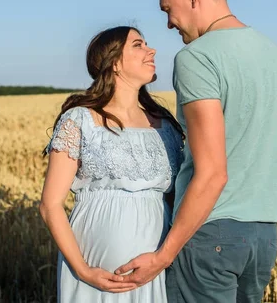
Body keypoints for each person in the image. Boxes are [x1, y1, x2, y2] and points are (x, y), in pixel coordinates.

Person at [114, 0, 277, 302]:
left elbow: (212, 173)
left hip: (211, 234)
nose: (168, 23)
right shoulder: (271, 52)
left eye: (168, 8)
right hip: (263, 237)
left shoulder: (198, 57)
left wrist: (163, 256)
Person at [39, 25, 185, 302]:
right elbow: (50, 205)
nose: (151, 50)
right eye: (138, 45)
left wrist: (165, 256)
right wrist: (83, 270)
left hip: (155, 263)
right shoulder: (80, 119)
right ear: (114, 62)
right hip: (96, 265)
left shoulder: (165, 125)